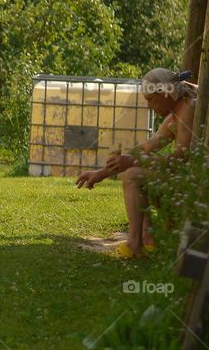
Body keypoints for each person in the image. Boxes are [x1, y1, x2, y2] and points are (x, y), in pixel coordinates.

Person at [76, 68, 197, 258]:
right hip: (187, 181)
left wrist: (132, 162)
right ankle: (148, 240)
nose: (149, 106)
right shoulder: (175, 113)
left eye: (150, 99)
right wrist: (100, 173)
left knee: (133, 175)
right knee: (134, 171)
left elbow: (182, 159)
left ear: (165, 92)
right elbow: (147, 147)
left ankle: (135, 244)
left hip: (196, 186)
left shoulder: (189, 110)